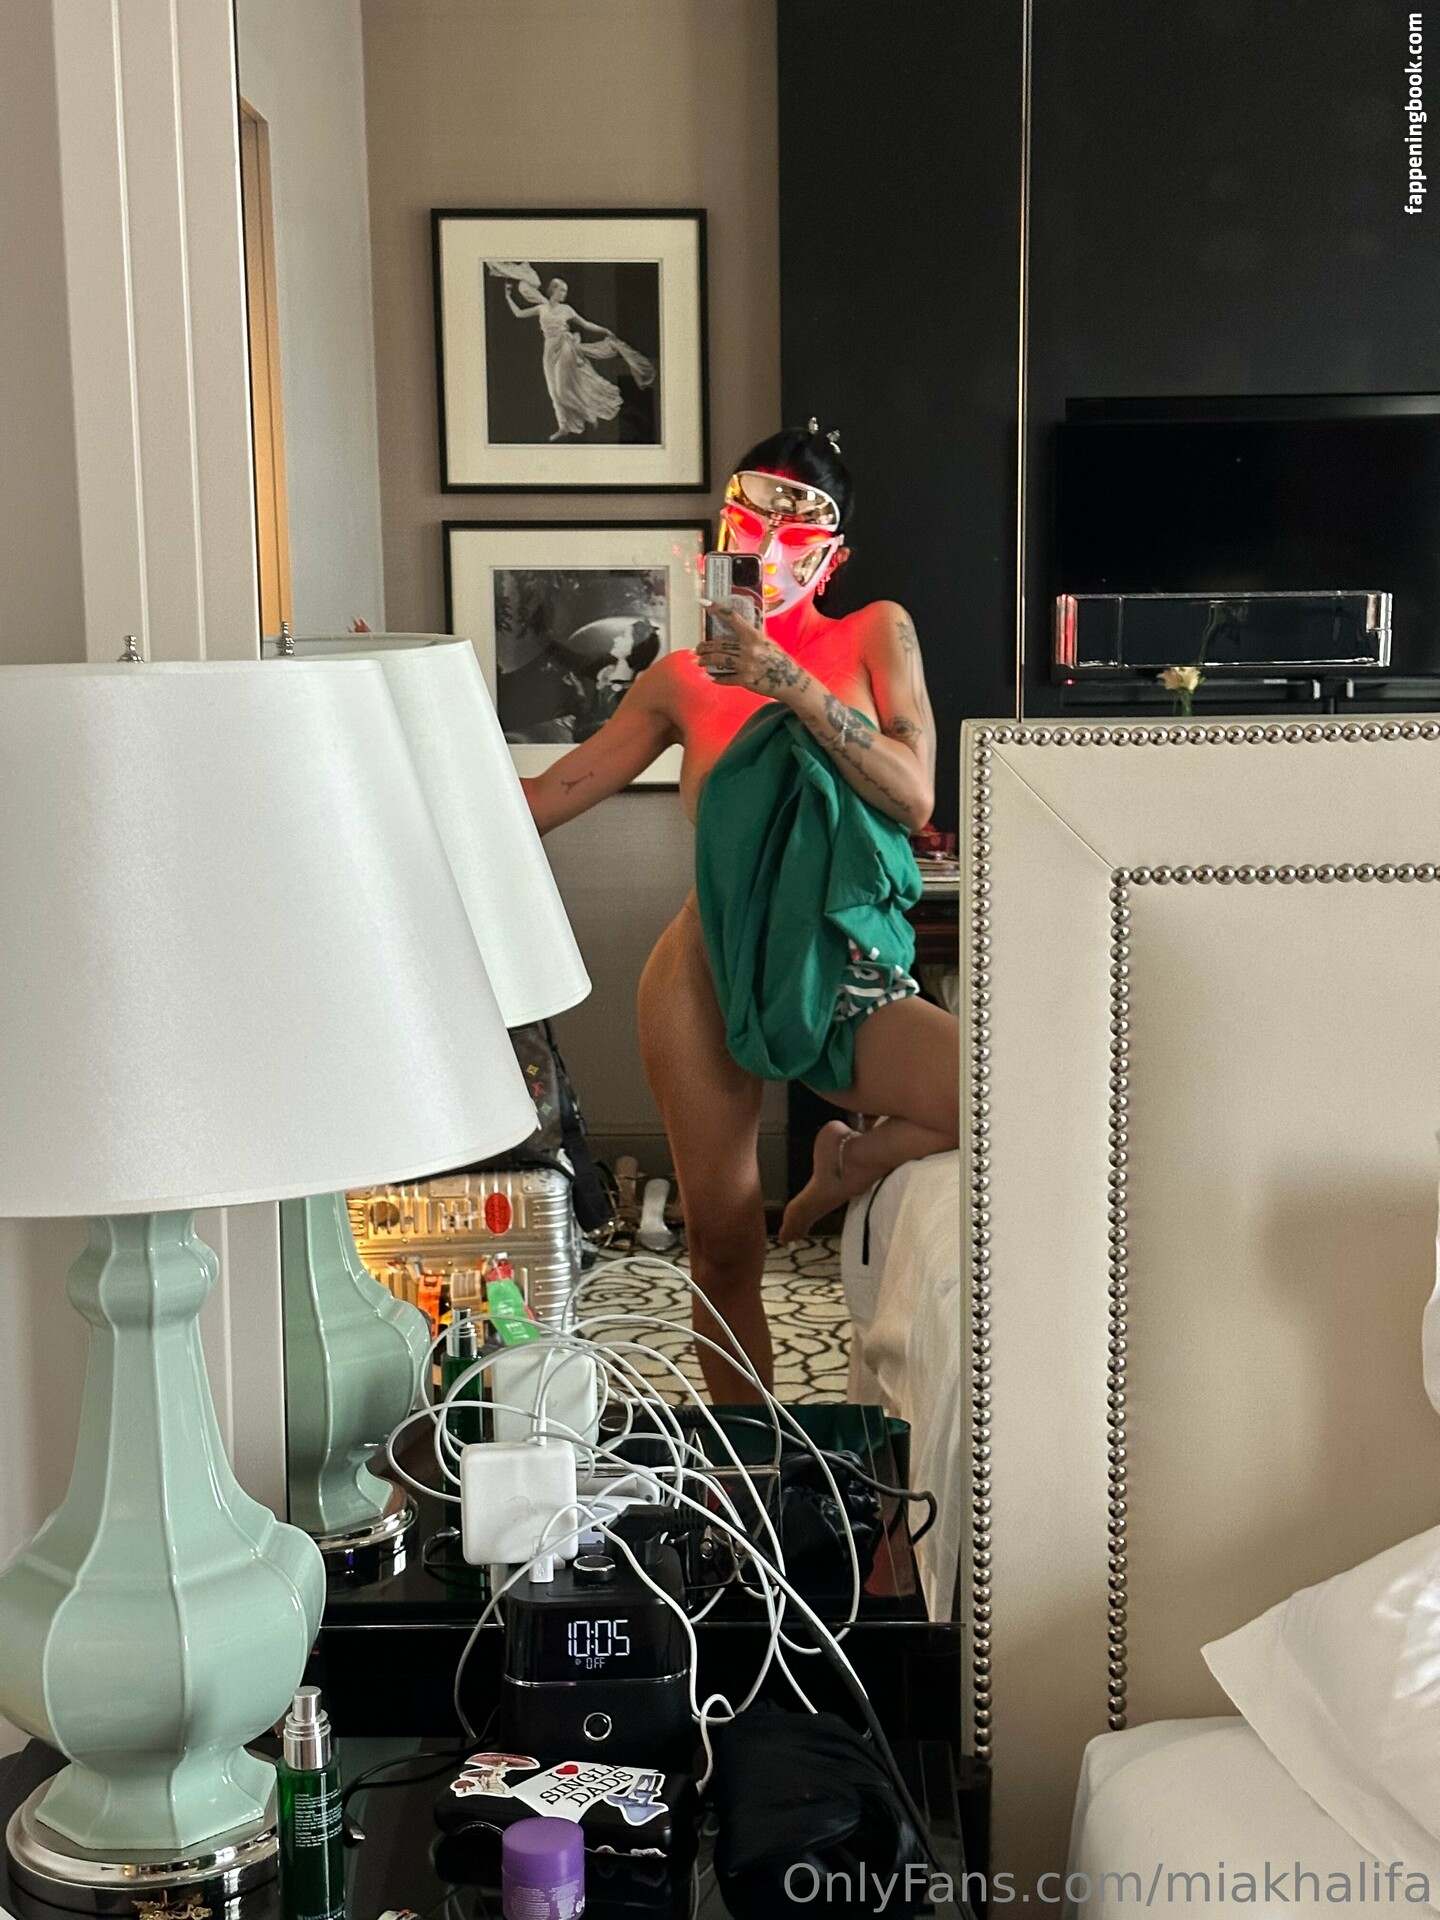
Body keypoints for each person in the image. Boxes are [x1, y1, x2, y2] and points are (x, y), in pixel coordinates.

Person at [522, 426, 959, 1401]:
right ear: (716, 537)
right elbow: (547, 799)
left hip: (845, 963)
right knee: (723, 1245)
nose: (767, 547)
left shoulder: (875, 632)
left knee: (990, 1096)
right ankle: (745, 1471)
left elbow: (913, 795)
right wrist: (395, 748)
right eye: (748, 523)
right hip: (707, 965)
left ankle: (851, 1159)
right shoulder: (680, 679)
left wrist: (785, 682)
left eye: (796, 532)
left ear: (833, 557)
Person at [490, 263, 656, 441]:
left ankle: (587, 412)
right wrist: (508, 296)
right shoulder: (542, 308)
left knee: (562, 390)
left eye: (566, 291)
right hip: (549, 349)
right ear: (553, 290)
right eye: (562, 290)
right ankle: (563, 426)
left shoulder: (567, 309)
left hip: (565, 346)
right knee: (553, 391)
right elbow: (518, 314)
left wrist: (604, 330)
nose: (564, 294)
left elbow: (585, 324)